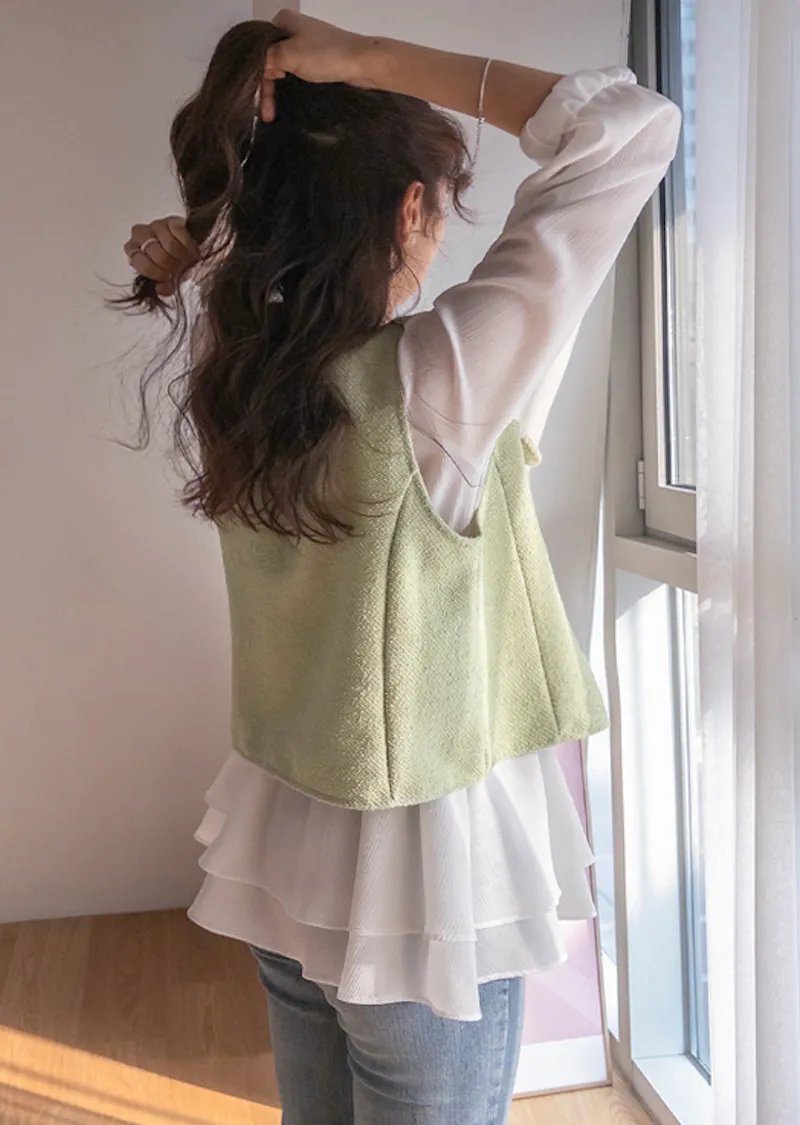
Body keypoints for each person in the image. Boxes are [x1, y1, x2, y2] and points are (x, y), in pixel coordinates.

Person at [122, 11, 680, 1125]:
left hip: (281, 850)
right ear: (410, 210)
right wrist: (363, 56)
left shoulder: (244, 382)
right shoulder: (436, 383)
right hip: (422, 886)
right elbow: (629, 126)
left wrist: (210, 238)